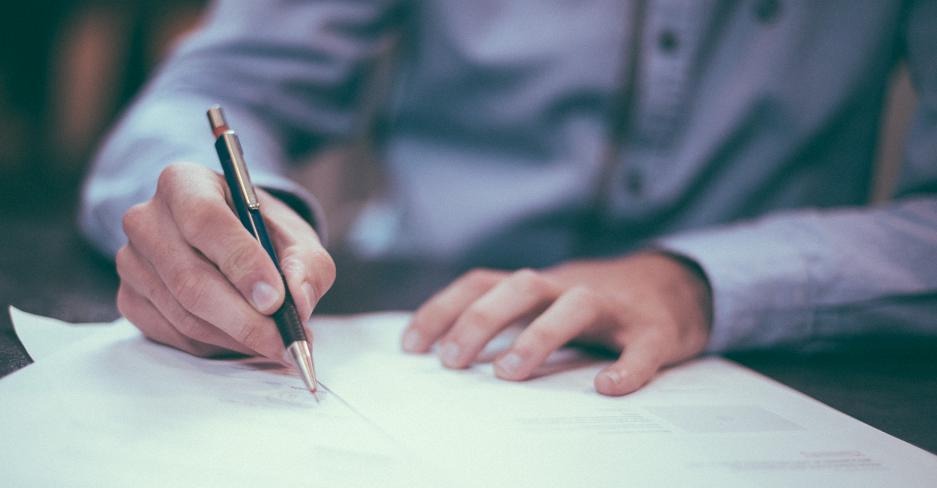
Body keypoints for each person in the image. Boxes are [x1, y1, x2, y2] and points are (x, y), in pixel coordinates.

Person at [79, 0, 937, 396]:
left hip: (783, 364)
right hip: (417, 330)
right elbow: (218, 86)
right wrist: (224, 218)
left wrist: (699, 280)